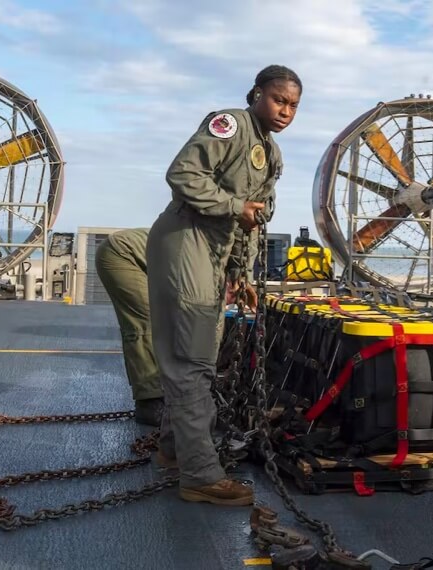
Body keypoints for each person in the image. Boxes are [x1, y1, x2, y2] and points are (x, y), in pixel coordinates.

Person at [146, 65, 300, 506]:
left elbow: (250, 222)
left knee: (201, 355)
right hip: (186, 238)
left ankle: (175, 450)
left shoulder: (271, 154)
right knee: (191, 360)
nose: (285, 111)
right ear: (257, 95)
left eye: (293, 105)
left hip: (214, 251)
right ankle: (199, 475)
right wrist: (234, 205)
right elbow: (183, 174)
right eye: (278, 100)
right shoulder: (229, 125)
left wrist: (241, 274)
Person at [94, 227, 165, 427]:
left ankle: (161, 391)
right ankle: (149, 403)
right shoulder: (206, 266)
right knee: (146, 323)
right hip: (121, 254)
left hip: (139, 258)